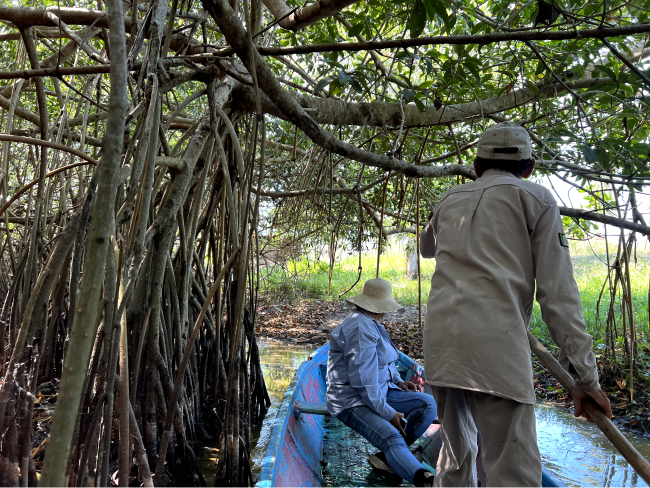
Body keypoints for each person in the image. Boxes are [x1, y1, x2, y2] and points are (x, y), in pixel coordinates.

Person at [420, 121, 613, 488]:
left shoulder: (449, 199)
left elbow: (426, 248)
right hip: (496, 351)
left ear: (476, 166)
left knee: (454, 458)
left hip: (443, 347)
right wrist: (587, 378)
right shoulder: (536, 199)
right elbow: (559, 296)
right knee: (514, 474)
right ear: (529, 167)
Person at [326, 278, 438, 488]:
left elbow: (386, 361)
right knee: (390, 436)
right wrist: (388, 413)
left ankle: (391, 456)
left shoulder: (371, 323)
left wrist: (398, 381)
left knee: (428, 404)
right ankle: (424, 479)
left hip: (381, 391)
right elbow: (364, 384)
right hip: (352, 401)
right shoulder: (360, 328)